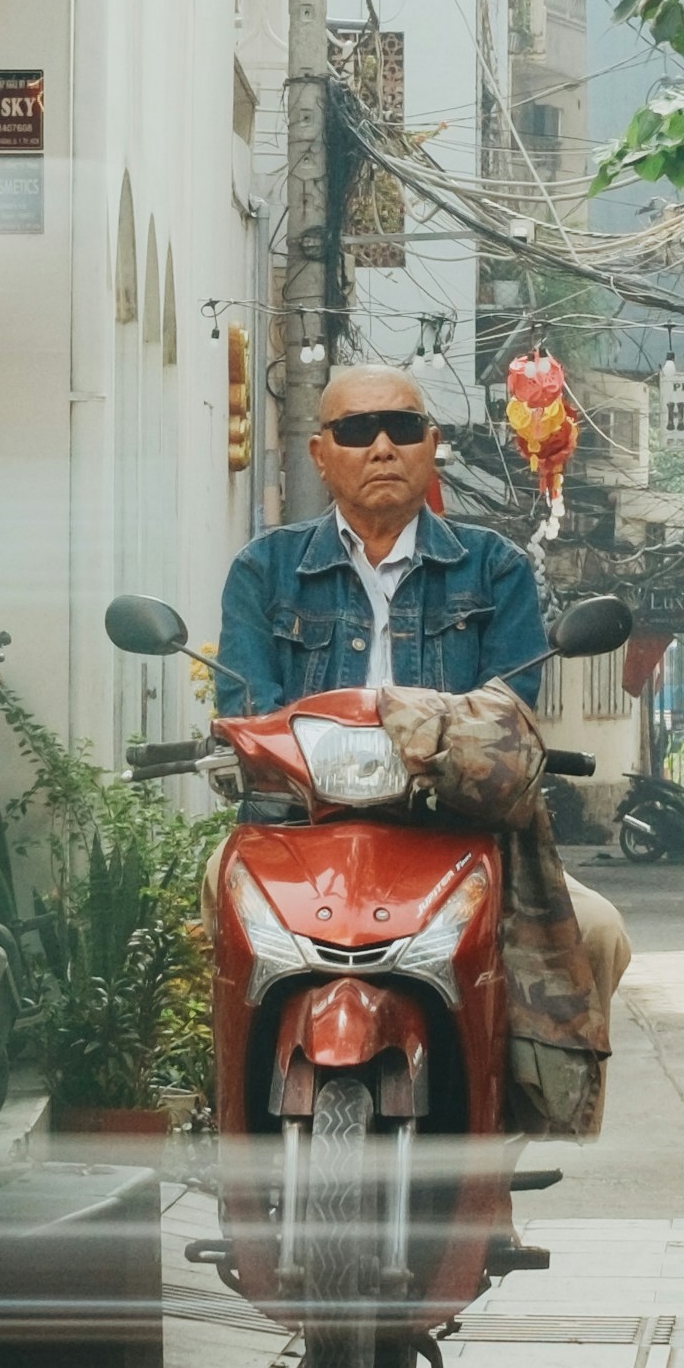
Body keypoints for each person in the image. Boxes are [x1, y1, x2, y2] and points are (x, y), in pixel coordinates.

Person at [216, 365, 625, 1013]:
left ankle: (523, 1116)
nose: (381, 446)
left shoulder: (497, 570)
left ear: (432, 444)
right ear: (321, 454)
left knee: (598, 935)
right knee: (216, 922)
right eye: (355, 430)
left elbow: (509, 716)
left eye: (402, 428)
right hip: (298, 843)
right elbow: (246, 712)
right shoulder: (263, 572)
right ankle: (236, 1110)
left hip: (458, 840)